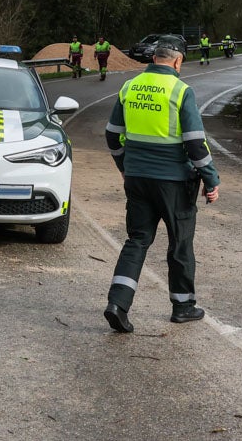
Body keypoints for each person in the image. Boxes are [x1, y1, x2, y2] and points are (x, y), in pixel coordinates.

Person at [103, 35, 220, 332]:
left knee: (137, 240)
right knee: (180, 243)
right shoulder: (180, 90)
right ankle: (183, 306)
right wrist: (211, 180)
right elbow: (195, 144)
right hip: (174, 183)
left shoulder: (130, 86)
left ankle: (117, 303)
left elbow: (111, 134)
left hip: (138, 179)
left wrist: (125, 166)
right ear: (178, 60)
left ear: (155, 57)